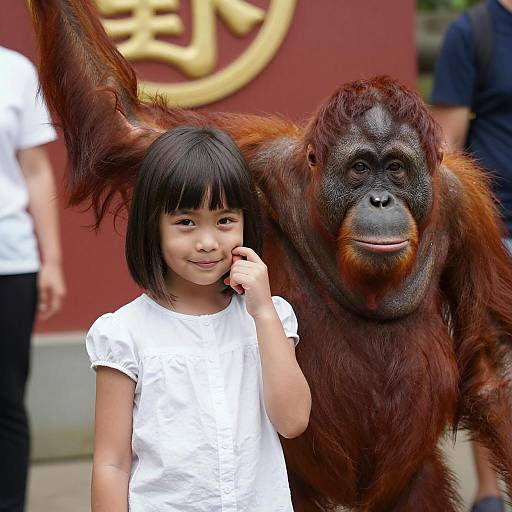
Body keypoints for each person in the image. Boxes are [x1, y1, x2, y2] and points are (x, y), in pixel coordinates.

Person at [86, 126, 311, 511]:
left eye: (224, 221)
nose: (208, 242)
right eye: (186, 222)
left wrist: (262, 313)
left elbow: (292, 421)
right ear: (152, 227)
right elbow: (112, 463)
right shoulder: (125, 334)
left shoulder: (269, 318)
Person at [430, 1, 512, 511]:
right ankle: (488, 494)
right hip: (496, 229)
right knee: (489, 363)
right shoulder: (474, 32)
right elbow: (447, 147)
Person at [0, 46, 66, 511]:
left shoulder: (15, 70)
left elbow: (37, 170)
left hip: (10, 260)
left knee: (4, 400)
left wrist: (53, 260)